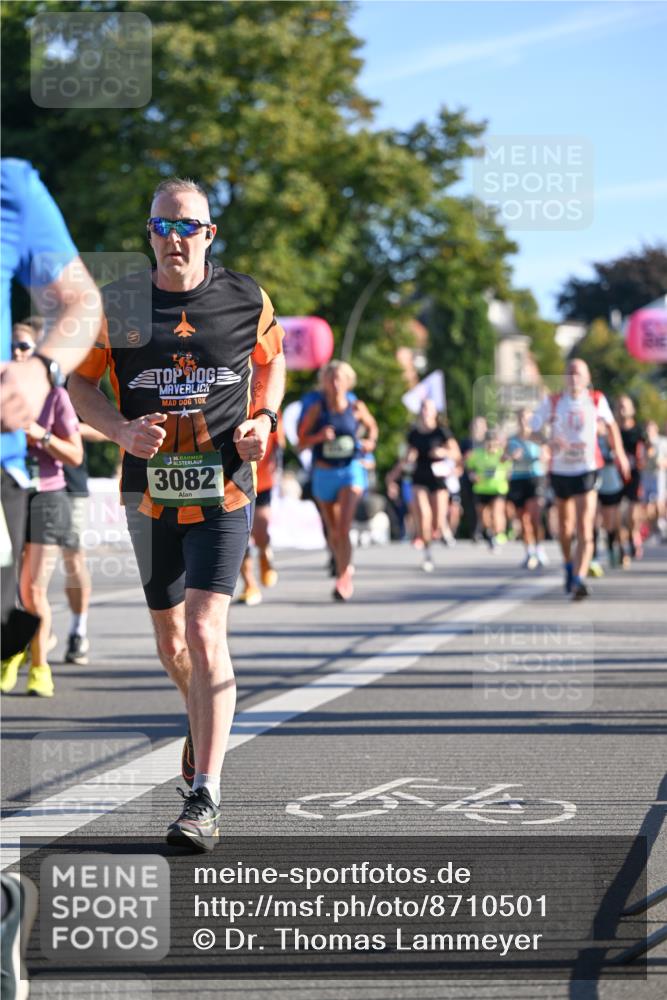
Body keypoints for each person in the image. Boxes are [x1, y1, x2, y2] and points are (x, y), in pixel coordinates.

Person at [69, 177, 286, 852]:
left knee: (203, 628)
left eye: (186, 226)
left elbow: (271, 364)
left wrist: (264, 420)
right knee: (171, 645)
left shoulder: (245, 297)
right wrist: (120, 430)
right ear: (149, 233)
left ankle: (205, 795)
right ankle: (201, 727)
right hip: (148, 494)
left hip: (224, 490)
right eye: (162, 226)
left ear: (208, 234)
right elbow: (79, 383)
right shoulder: (122, 304)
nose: (174, 238)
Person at [1, 158, 101, 662]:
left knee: (21, 599)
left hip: (30, 476)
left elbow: (82, 302)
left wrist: (38, 370)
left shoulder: (10, 186)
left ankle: (44, 647)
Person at [0, 321, 83, 698]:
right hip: (10, 489)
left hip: (47, 495)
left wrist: (40, 434)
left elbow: (76, 454)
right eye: (11, 347)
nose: (17, 353)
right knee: (8, 586)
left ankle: (39, 666)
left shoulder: (55, 396)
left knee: (32, 589)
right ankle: (11, 653)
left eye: (23, 347)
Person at [531, 359, 630, 600]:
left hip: (587, 469)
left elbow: (612, 426)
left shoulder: (596, 400)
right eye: (570, 373)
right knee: (565, 529)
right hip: (561, 471)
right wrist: (548, 442)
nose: (574, 377)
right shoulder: (553, 402)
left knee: (585, 528)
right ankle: (568, 564)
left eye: (579, 373)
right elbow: (532, 430)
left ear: (587, 377)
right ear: (565, 377)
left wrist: (619, 455)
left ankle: (579, 579)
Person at [298, 360, 377, 600]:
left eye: (339, 379)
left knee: (343, 527)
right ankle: (343, 563)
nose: (334, 384)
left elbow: (372, 427)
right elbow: (301, 441)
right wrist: (319, 436)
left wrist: (370, 443)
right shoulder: (316, 408)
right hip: (324, 473)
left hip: (350, 470)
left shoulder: (355, 406)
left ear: (347, 382)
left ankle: (344, 577)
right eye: (330, 379)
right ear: (323, 382)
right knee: (333, 531)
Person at [403, 399, 460, 572]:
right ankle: (427, 554)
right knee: (423, 514)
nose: (425, 411)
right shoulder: (414, 433)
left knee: (436, 519)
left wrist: (443, 452)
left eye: (428, 408)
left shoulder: (442, 432)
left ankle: (440, 531)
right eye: (423, 408)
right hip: (419, 476)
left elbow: (456, 454)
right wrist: (409, 458)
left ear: (435, 412)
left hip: (438, 478)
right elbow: (408, 453)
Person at [237, 411, 285, 606]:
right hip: (234, 482)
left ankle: (265, 554)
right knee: (240, 537)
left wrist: (277, 463)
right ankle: (250, 584)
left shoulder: (264, 405)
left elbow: (279, 442)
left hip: (262, 480)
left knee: (261, 532)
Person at [505, 408, 548, 570]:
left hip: (535, 478)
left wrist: (540, 456)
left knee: (535, 515)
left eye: (527, 418)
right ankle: (529, 551)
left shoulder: (538, 438)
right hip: (517, 479)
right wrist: (511, 456)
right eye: (521, 418)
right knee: (523, 518)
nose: (524, 421)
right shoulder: (512, 439)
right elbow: (503, 458)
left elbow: (547, 455)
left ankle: (539, 547)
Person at [465, 428, 512, 549]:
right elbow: (470, 468)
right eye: (488, 442)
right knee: (483, 515)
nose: (491, 445)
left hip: (498, 488)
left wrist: (504, 475)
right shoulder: (477, 454)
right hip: (481, 489)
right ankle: (490, 533)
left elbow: (509, 470)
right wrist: (473, 475)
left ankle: (500, 534)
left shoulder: (502, 455)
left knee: (497, 512)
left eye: (493, 442)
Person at [615, 395, 646, 564]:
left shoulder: (638, 430)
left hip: (634, 475)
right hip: (616, 474)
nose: (622, 409)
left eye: (625, 406)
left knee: (633, 513)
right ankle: (621, 545)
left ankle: (634, 534)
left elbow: (648, 447)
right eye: (619, 406)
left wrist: (646, 456)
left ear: (632, 409)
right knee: (617, 512)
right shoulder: (614, 430)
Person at [595, 418, 624, 568]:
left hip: (611, 484)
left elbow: (618, 458)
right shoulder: (590, 440)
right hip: (593, 484)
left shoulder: (612, 440)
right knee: (592, 520)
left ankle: (612, 546)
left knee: (609, 522)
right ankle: (592, 555)